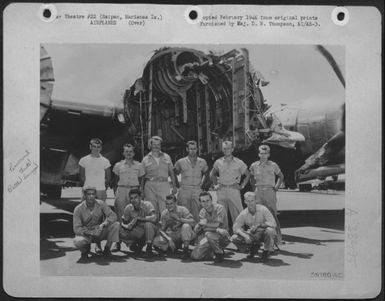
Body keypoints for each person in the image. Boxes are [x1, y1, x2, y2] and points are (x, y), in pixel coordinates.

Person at [210, 141, 250, 230]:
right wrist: (215, 185)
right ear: (222, 149)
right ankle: (225, 235)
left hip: (233, 189)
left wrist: (242, 186)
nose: (226, 150)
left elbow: (248, 174)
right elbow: (212, 174)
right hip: (222, 190)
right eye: (224, 148)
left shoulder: (239, 162)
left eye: (228, 148)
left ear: (232, 149)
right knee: (221, 213)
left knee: (237, 213)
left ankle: (239, 234)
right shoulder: (218, 162)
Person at [111, 143, 145, 252]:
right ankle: (117, 242)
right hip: (122, 189)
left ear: (134, 153)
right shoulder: (118, 165)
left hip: (134, 190)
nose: (129, 153)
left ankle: (133, 241)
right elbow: (115, 180)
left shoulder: (139, 165)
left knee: (134, 216)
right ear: (123, 153)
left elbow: (141, 180)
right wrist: (117, 191)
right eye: (126, 151)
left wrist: (140, 191)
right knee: (120, 216)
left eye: (131, 151)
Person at [73, 186, 120, 263]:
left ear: (95, 195)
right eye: (89, 194)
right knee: (77, 241)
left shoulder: (101, 203)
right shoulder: (78, 209)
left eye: (93, 194)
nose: (91, 196)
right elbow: (76, 229)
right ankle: (84, 252)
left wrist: (103, 225)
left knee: (116, 225)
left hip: (99, 232)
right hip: (87, 234)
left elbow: (113, 216)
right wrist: (89, 232)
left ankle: (107, 249)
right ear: (84, 195)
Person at [249, 144, 284, 244]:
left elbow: (281, 176)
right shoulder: (254, 165)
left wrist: (276, 187)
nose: (263, 155)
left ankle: (278, 239)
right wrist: (254, 188)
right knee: (259, 215)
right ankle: (260, 239)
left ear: (269, 155)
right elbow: (251, 177)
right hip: (258, 191)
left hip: (269, 191)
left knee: (272, 215)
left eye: (265, 153)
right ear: (258, 154)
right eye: (261, 153)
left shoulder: (273, 165)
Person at [231, 192, 277, 262]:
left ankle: (266, 252)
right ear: (245, 202)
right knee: (234, 238)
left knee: (270, 231)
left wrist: (259, 225)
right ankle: (252, 248)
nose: (250, 203)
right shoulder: (244, 213)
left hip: (263, 233)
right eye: (248, 201)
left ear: (256, 200)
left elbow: (273, 223)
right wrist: (245, 236)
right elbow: (235, 227)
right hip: (252, 234)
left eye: (252, 200)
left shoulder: (263, 209)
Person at [142, 136, 178, 216]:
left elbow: (171, 172)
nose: (156, 146)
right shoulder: (145, 159)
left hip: (164, 185)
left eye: (158, 145)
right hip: (150, 186)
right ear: (150, 145)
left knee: (165, 209)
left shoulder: (167, 157)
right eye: (154, 144)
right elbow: (142, 175)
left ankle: (164, 227)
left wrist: (174, 186)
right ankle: (153, 227)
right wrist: (141, 189)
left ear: (160, 146)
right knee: (152, 210)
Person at [191, 192, 231, 263]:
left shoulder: (219, 208)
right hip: (209, 236)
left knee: (208, 234)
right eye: (203, 201)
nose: (206, 203)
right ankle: (212, 251)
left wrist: (206, 224)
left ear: (211, 200)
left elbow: (217, 224)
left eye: (207, 200)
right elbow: (200, 228)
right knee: (195, 256)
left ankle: (219, 253)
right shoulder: (202, 212)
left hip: (223, 237)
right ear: (200, 203)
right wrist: (201, 226)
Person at [153, 194, 195, 259]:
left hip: (183, 233)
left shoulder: (183, 209)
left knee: (186, 226)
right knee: (156, 241)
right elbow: (161, 230)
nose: (169, 206)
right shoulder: (164, 213)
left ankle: (185, 250)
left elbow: (192, 222)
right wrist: (168, 239)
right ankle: (173, 246)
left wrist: (178, 219)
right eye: (167, 204)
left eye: (171, 203)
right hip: (172, 235)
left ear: (176, 203)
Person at [174, 140, 208, 222]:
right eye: (191, 149)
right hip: (185, 190)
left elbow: (206, 173)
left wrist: (203, 184)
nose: (193, 151)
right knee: (184, 212)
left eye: (195, 149)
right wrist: (177, 185)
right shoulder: (180, 162)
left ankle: (197, 231)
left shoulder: (202, 161)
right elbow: (174, 173)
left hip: (197, 190)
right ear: (187, 149)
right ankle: (185, 230)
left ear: (197, 149)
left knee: (198, 213)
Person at [119, 188, 158, 257]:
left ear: (140, 197)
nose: (134, 200)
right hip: (136, 231)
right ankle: (132, 244)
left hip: (148, 231)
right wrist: (126, 226)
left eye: (136, 197)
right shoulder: (128, 208)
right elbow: (122, 222)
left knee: (148, 224)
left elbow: (154, 218)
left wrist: (139, 218)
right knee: (119, 230)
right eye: (131, 198)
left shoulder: (148, 204)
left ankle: (149, 248)